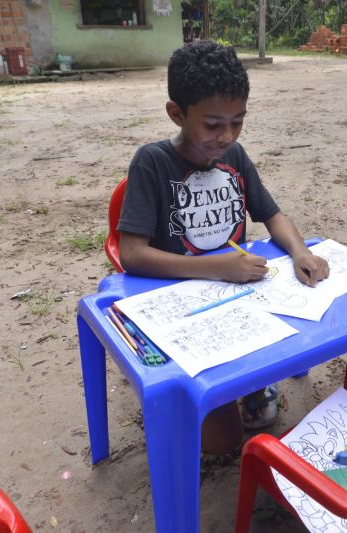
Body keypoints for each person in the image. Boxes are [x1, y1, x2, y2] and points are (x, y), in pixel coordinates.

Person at [117, 40, 330, 455]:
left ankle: (249, 381)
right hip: (180, 301)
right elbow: (132, 254)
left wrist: (300, 252)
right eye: (213, 125)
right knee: (222, 445)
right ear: (177, 114)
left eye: (237, 121)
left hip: (240, 294)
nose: (226, 136)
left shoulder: (234, 155)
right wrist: (218, 268)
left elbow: (273, 215)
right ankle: (210, 389)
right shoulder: (152, 163)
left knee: (298, 339)